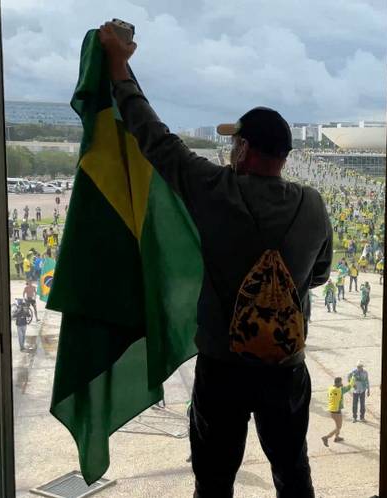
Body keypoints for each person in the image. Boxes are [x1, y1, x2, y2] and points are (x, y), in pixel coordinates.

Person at [99, 23, 332, 497]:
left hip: (222, 367)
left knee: (213, 480)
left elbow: (156, 139)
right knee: (293, 472)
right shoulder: (313, 205)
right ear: (285, 156)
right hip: (284, 368)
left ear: (244, 149)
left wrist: (119, 67)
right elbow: (321, 275)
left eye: (234, 143)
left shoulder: (213, 189)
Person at [321, 377, 351, 446]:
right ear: (338, 383)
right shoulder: (339, 390)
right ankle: (326, 437)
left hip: (332, 409)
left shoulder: (331, 388)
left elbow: (328, 395)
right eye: (341, 382)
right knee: (338, 427)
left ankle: (337, 437)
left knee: (337, 425)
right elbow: (349, 387)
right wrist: (353, 379)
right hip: (337, 411)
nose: (342, 383)